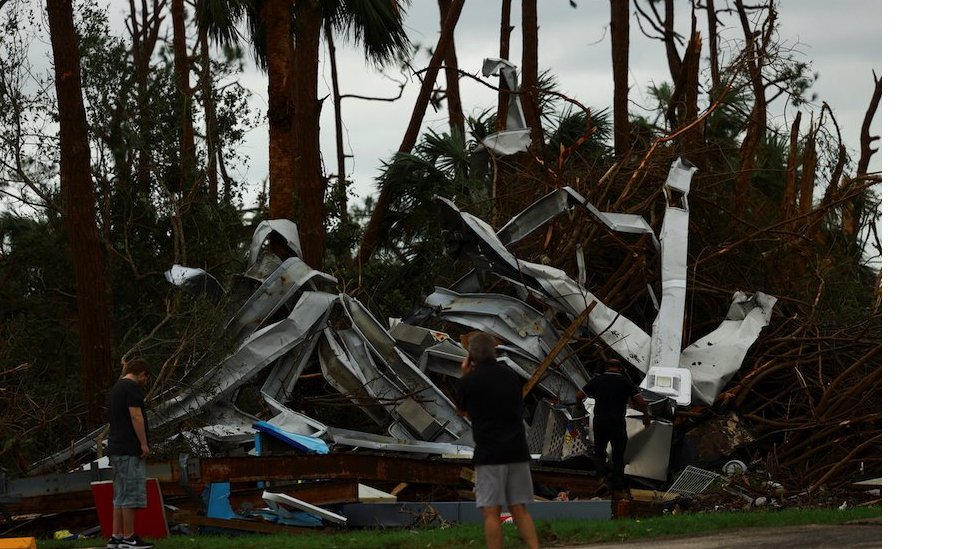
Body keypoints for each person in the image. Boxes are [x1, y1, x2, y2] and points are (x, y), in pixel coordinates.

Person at [457, 332, 539, 549]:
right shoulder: (510, 376)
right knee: (519, 508)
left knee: (491, 512)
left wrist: (465, 375)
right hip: (516, 450)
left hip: (489, 453)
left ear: (471, 356)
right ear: (494, 351)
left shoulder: (469, 382)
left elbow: (464, 412)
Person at [576, 358, 650, 496]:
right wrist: (646, 417)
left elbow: (579, 395)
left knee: (599, 452)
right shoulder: (625, 382)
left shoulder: (597, 381)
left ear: (606, 368)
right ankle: (618, 487)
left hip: (600, 423)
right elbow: (641, 402)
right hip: (617, 423)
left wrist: (580, 407)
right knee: (618, 455)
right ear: (620, 368)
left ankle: (601, 479)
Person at [106, 358, 154, 549]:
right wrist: (143, 444)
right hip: (128, 449)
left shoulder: (117, 388)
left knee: (119, 494)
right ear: (142, 374)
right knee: (130, 494)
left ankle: (116, 536)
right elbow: (136, 416)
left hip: (116, 448)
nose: (145, 382)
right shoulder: (132, 388)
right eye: (146, 378)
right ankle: (129, 537)